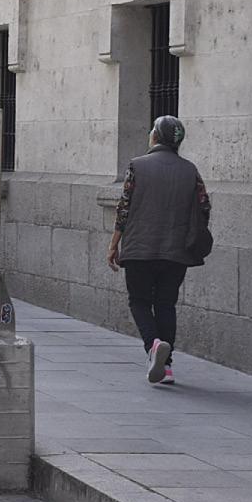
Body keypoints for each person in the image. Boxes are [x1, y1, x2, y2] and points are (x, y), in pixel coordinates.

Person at [107, 115, 211, 386]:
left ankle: (153, 346)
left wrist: (114, 243)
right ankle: (166, 368)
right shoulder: (190, 170)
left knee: (139, 301)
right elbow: (204, 207)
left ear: (155, 136)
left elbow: (124, 208)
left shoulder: (137, 166)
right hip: (176, 252)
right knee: (166, 303)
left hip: (139, 248)